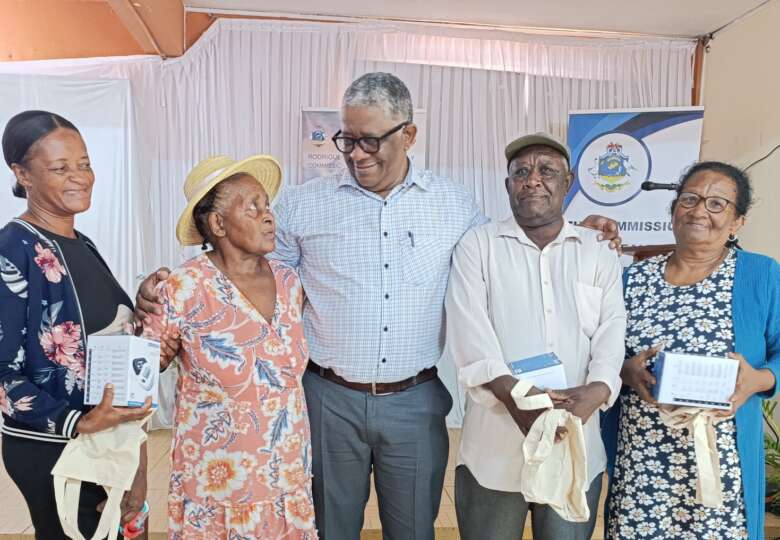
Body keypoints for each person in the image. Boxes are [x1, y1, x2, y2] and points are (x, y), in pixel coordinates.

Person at [135, 73, 621, 540]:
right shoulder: (303, 205)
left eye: (370, 140)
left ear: (408, 134)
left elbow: (512, 243)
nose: (356, 154)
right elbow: (240, 270)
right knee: (331, 528)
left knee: (413, 530)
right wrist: (166, 291)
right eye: (347, 140)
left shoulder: (454, 205)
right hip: (328, 401)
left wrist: (581, 228)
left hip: (414, 402)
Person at [445, 132, 626, 540]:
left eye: (547, 171)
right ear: (507, 184)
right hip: (495, 446)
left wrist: (598, 389)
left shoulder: (597, 249)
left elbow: (612, 328)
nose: (533, 180)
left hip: (574, 438)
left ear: (569, 182)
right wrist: (515, 397)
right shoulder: (478, 246)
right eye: (521, 173)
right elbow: (469, 328)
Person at [140, 155, 317, 539]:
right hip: (218, 487)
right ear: (218, 224)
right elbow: (141, 371)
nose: (268, 217)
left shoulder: (289, 281)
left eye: (267, 205)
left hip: (286, 476)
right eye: (252, 207)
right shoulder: (184, 287)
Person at [604, 161, 780, 539]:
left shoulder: (760, 274)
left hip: (721, 466)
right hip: (642, 459)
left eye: (717, 204)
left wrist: (759, 379)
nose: (700, 210)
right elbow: (598, 352)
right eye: (690, 199)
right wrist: (624, 371)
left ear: (737, 222)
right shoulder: (632, 278)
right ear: (674, 210)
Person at [0, 110, 151, 539]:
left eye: (84, 164)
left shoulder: (81, 244)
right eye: (60, 168)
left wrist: (142, 305)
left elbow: (104, 338)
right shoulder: (12, 251)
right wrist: (77, 422)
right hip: (54, 449)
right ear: (22, 174)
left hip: (107, 445)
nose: (79, 177)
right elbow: (2, 373)